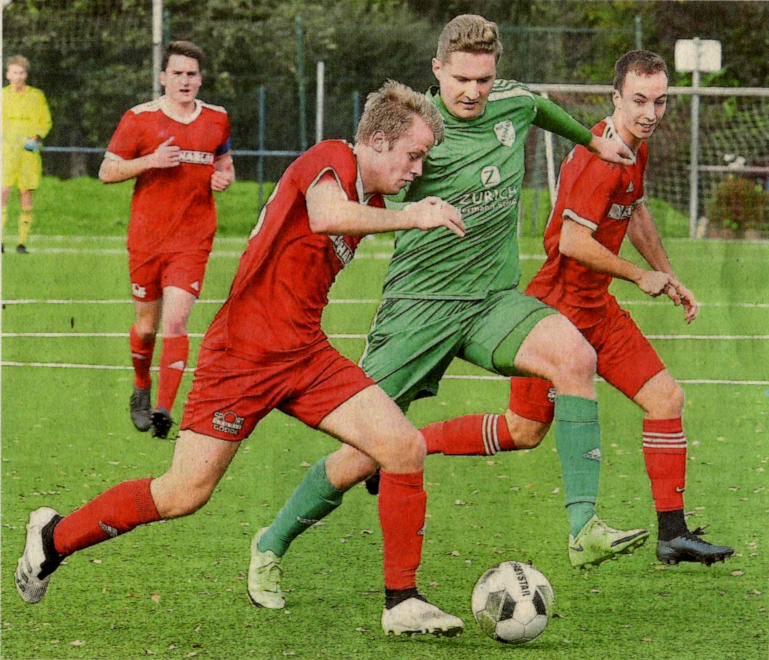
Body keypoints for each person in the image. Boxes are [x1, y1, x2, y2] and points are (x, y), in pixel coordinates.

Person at [15, 80, 469, 637]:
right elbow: (326, 215)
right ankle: (53, 537)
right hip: (242, 356)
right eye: (414, 155)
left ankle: (402, 601)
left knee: (403, 446)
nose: (417, 170)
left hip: (304, 354)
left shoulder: (371, 199)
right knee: (183, 494)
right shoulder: (331, 158)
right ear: (376, 140)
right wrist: (415, 216)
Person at [248, 14, 648, 611]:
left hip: (492, 301)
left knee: (576, 357)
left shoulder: (512, 104)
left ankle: (584, 528)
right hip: (418, 310)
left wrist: (593, 141)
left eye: (483, 79)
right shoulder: (419, 131)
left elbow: (539, 109)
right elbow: (362, 185)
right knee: (365, 453)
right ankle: (272, 542)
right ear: (437, 70)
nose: (473, 92)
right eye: (461, 78)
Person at [489, 50, 731, 566]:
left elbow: (635, 208)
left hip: (598, 309)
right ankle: (406, 444)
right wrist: (640, 274)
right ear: (616, 97)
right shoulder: (599, 156)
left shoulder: (635, 148)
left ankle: (674, 534)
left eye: (660, 101)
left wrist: (667, 275)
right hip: (553, 314)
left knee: (666, 399)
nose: (650, 112)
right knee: (521, 431)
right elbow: (575, 242)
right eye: (639, 100)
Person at [99, 40, 234, 439]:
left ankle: (163, 409)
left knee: (176, 320)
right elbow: (107, 171)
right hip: (147, 239)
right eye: (177, 73)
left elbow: (223, 161)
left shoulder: (217, 119)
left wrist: (223, 177)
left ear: (200, 79)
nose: (185, 80)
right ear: (163, 77)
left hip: (192, 239)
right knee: (146, 327)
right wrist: (151, 161)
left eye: (192, 74)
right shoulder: (139, 119)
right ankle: (141, 387)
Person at [2, 54, 52, 254]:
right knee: (3, 191)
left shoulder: (36, 96)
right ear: (7, 74)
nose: (18, 76)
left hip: (28, 152)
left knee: (26, 193)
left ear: (26, 75)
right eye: (14, 72)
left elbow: (45, 120)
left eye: (21, 72)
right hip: (6, 151)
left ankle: (22, 242)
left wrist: (37, 136)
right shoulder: (2, 95)